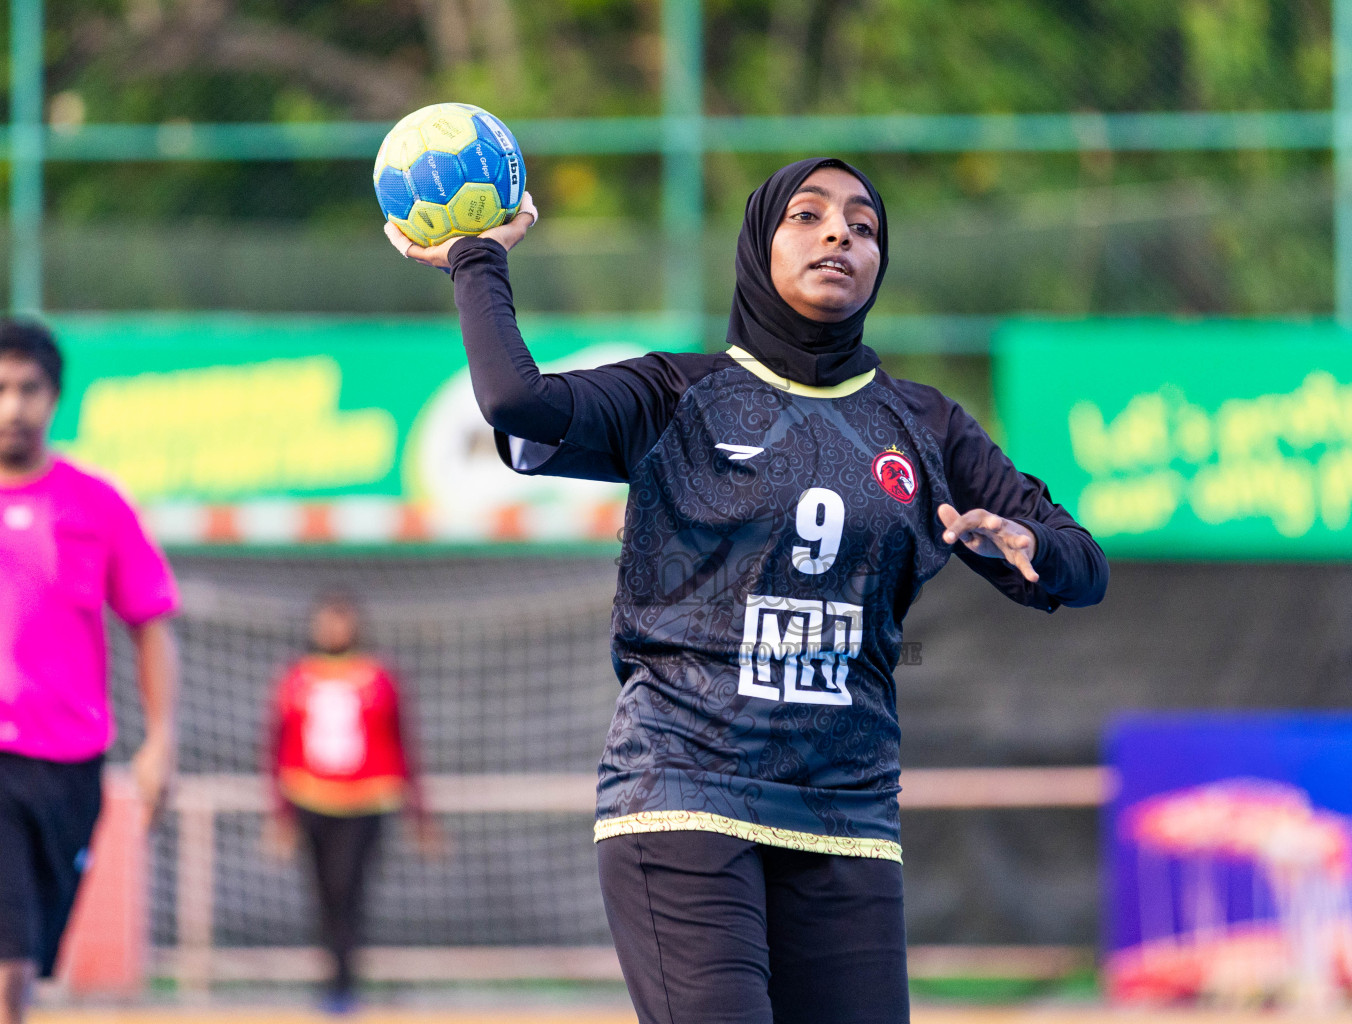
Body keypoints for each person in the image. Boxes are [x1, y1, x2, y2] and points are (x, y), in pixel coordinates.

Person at [386, 156, 1109, 1024]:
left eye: (864, 225)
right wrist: (478, 261)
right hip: (683, 791)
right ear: (757, 245)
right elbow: (514, 400)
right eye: (808, 215)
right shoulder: (676, 392)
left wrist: (1031, 545)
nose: (840, 232)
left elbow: (1080, 565)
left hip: (846, 811)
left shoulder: (926, 425)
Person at [0, 319, 179, 1024]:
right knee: (9, 965)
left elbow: (151, 621)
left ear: (55, 397)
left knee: (30, 960)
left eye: (29, 389)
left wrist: (162, 739)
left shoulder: (95, 505)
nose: (14, 406)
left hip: (71, 765)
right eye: (1, 389)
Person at [264, 590, 436, 1015]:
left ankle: (344, 981)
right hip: (310, 797)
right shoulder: (296, 678)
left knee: (348, 888)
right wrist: (280, 815)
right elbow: (276, 748)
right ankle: (332, 977)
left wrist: (420, 813)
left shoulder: (378, 677)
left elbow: (404, 744)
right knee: (323, 892)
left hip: (368, 801)